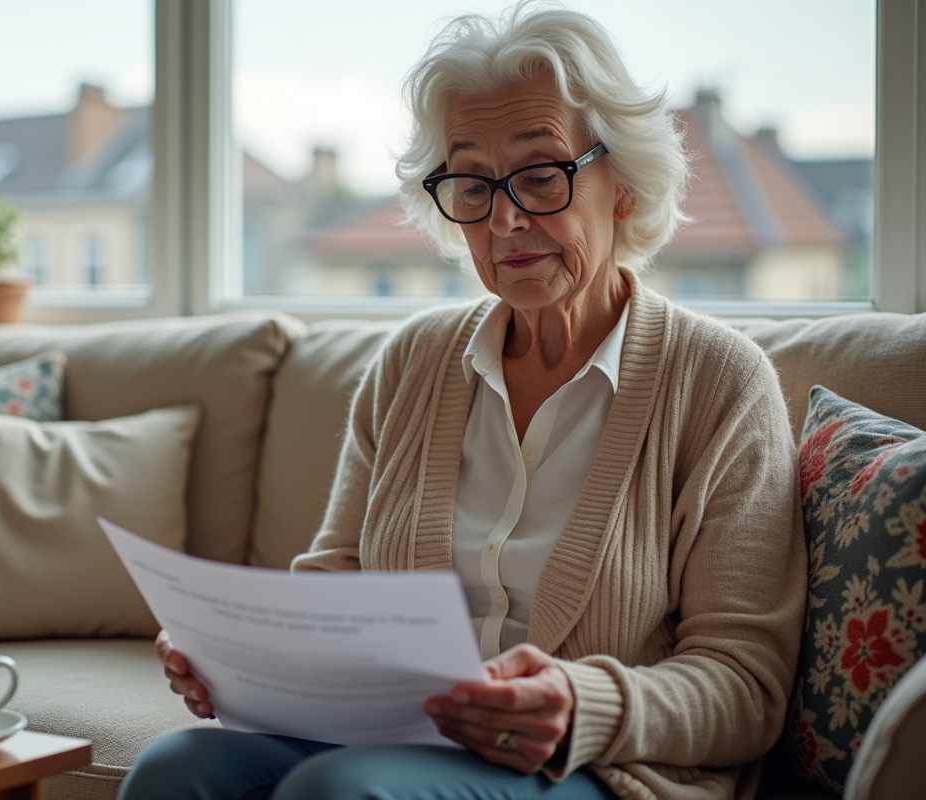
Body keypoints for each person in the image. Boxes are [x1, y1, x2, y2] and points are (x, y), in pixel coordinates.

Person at [119, 3, 806, 799]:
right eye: (472, 183)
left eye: (541, 175)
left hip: (594, 767)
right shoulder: (413, 361)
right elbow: (335, 585)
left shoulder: (722, 383)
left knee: (342, 790)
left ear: (623, 184)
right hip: (391, 733)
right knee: (175, 770)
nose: (505, 219)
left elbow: (746, 686)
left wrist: (581, 704)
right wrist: (240, 660)